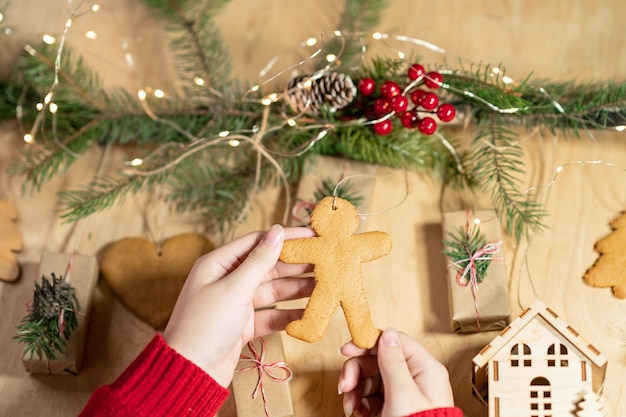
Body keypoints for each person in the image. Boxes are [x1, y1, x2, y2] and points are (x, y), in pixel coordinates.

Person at [80, 225, 463, 417]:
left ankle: (320, 327)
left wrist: (186, 367)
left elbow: (375, 243)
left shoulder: (353, 243)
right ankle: (315, 327)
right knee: (321, 313)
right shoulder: (318, 244)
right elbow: (311, 247)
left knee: (348, 315)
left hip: (340, 285)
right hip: (328, 286)